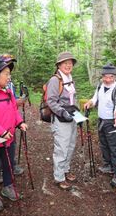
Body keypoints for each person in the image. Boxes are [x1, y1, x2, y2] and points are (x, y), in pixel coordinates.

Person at [0, 58, 28, 211]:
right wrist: (1, 131)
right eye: (6, 74)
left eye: (9, 74)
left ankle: (8, 186)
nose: (9, 77)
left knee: (9, 164)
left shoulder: (8, 92)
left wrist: (19, 122)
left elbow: (14, 110)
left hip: (9, 138)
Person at [84, 63, 116, 187]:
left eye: (111, 77)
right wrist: (89, 103)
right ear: (102, 77)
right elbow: (95, 99)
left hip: (113, 122)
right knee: (104, 144)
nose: (108, 80)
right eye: (105, 77)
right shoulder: (100, 86)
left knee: (115, 148)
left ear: (115, 77)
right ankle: (108, 166)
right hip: (101, 120)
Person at [47, 51, 79, 190]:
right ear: (59, 65)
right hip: (61, 119)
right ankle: (59, 177)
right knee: (61, 147)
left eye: (70, 63)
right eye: (65, 63)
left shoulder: (70, 78)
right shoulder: (55, 80)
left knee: (70, 146)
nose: (68, 65)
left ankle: (66, 169)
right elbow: (51, 101)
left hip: (71, 117)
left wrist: (78, 113)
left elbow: (73, 99)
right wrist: (62, 112)